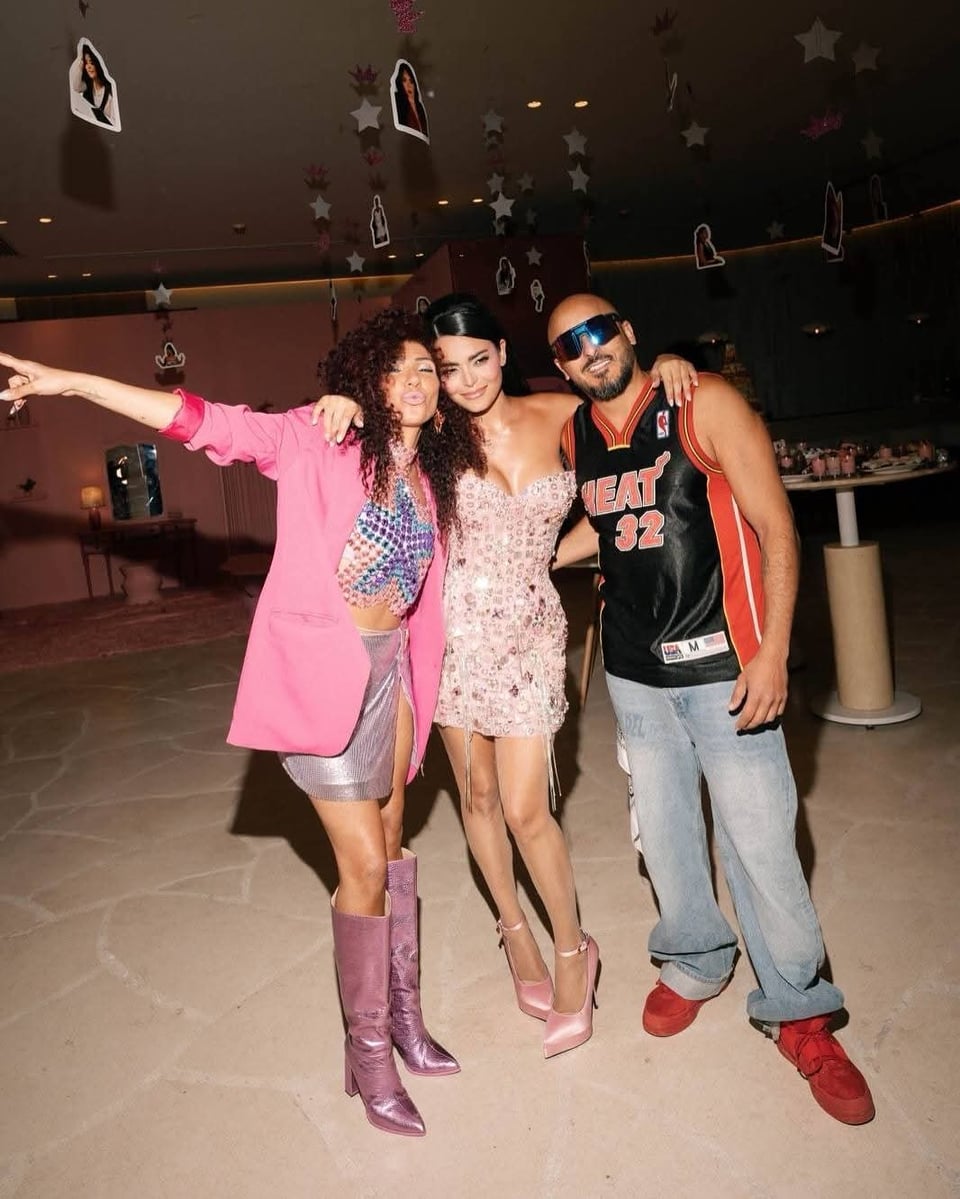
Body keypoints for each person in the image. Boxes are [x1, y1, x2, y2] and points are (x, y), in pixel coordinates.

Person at [0, 308, 484, 1139]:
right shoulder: (317, 439)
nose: (413, 381)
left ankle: (405, 1018)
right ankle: (369, 1052)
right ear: (367, 381)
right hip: (324, 674)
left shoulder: (427, 472)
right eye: (395, 368)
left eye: (425, 371)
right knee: (364, 863)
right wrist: (71, 382)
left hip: (394, 674)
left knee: (395, 843)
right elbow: (199, 421)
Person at [313, 293, 697, 1059]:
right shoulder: (433, 437)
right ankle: (515, 933)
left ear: (503, 353)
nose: (465, 380)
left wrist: (667, 366)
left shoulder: (562, 415)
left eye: (478, 360)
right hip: (452, 638)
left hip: (529, 637)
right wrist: (344, 402)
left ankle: (572, 950)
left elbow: (636, 467)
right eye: (447, 368)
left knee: (527, 808)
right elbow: (364, 441)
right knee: (478, 797)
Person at [548, 293, 875, 1125]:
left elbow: (776, 524)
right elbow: (607, 518)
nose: (588, 351)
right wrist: (531, 556)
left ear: (627, 330)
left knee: (760, 840)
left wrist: (773, 649)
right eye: (568, 346)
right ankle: (695, 956)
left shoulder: (703, 401)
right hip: (635, 676)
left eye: (597, 332)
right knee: (664, 834)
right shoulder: (575, 434)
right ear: (560, 366)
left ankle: (800, 1007)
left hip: (726, 667)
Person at [69, 41, 118, 128]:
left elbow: (114, 124)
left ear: (98, 64)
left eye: (91, 63)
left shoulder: (110, 94)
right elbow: (75, 87)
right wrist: (80, 59)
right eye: (86, 63)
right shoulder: (88, 86)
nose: (88, 67)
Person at [391, 60, 429, 141]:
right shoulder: (399, 106)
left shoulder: (420, 107)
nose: (408, 85)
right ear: (400, 84)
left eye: (411, 81)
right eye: (404, 80)